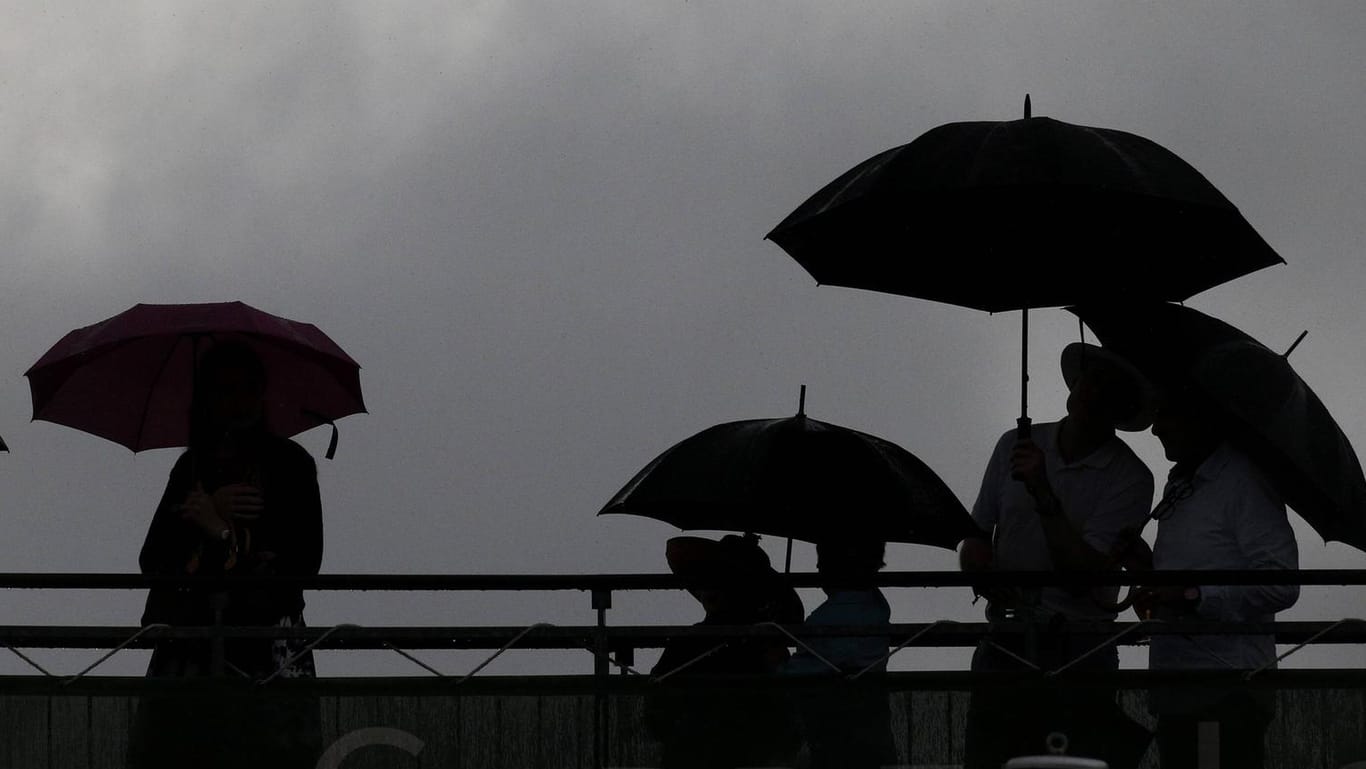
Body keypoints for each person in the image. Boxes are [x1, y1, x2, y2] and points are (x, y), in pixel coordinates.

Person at [127, 341, 324, 768]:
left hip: (267, 648)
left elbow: (304, 560)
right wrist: (203, 514)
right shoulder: (191, 468)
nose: (235, 402)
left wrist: (221, 531)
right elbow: (153, 559)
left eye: (244, 389)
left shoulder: (291, 465)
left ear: (260, 393)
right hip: (192, 647)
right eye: (222, 390)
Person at [960, 342, 1156, 769]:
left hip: (1081, 649)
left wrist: (1042, 492)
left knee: (1076, 762)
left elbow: (1081, 575)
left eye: (1106, 389)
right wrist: (978, 565)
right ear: (1074, 386)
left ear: (1122, 409)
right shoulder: (1014, 443)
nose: (1092, 393)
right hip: (1005, 642)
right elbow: (976, 534)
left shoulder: (1132, 478)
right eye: (1090, 380)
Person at [1133, 384, 1299, 769]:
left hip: (1225, 692)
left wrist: (1192, 595)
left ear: (1202, 418)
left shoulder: (1244, 481)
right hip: (1177, 687)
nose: (1155, 429)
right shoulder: (1181, 486)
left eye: (1167, 415)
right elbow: (1180, 581)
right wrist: (1144, 567)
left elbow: (1281, 583)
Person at [645, 533, 804, 769]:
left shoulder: (688, 643)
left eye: (723, 580)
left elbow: (656, 716)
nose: (708, 586)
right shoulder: (767, 643)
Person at [782, 538, 897, 769]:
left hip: (836, 727)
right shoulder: (875, 605)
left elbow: (805, 671)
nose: (817, 569)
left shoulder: (830, 620)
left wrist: (775, 660)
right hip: (871, 724)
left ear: (833, 568)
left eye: (821, 561)